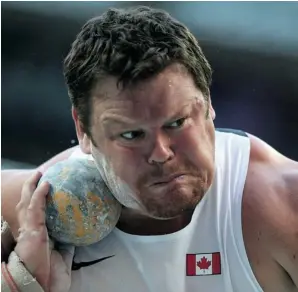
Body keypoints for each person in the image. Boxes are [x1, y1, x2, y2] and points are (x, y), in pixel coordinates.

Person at [1, 6, 298, 292]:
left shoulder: (282, 207)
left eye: (177, 122)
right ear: (83, 131)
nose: (161, 152)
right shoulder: (26, 216)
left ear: (208, 103)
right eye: (131, 134)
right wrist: (20, 283)